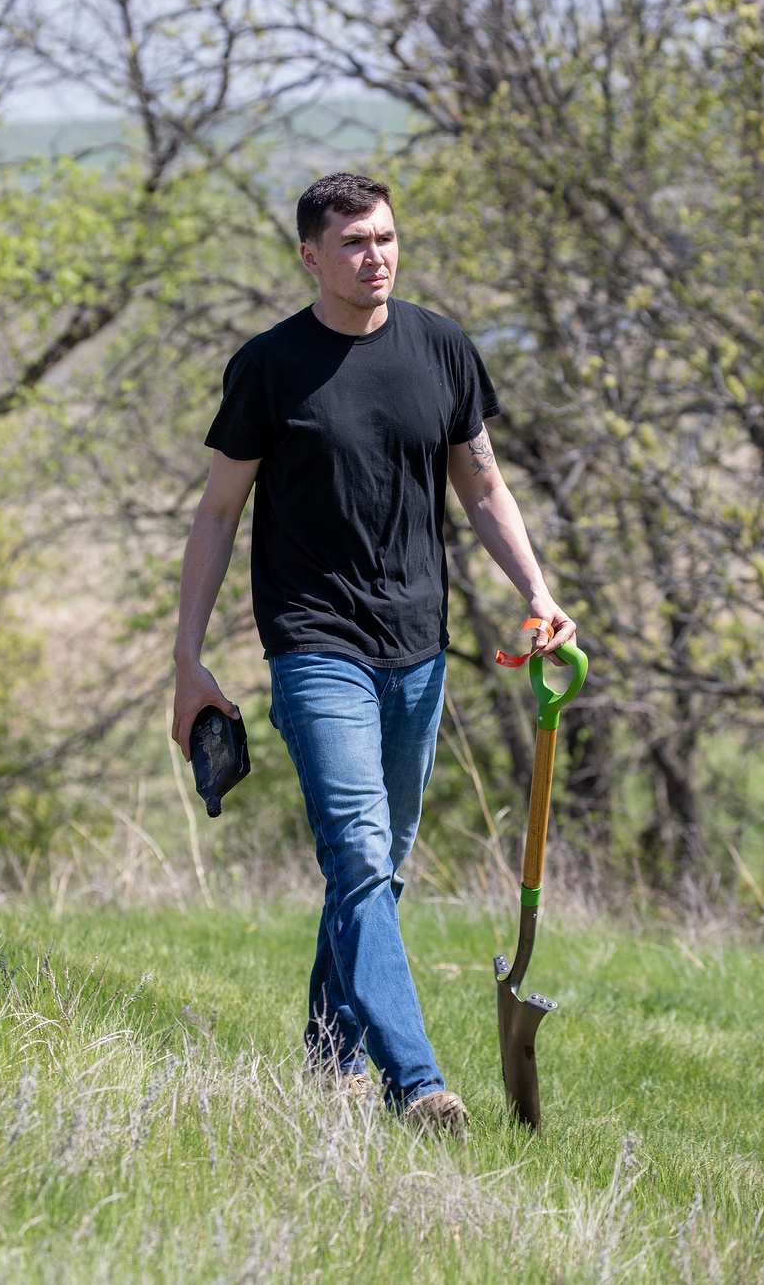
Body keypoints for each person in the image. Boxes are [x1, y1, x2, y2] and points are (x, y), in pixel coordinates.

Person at [172, 172, 575, 1133]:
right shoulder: (270, 367)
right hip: (314, 645)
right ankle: (416, 1082)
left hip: (417, 648)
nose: (376, 256)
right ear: (311, 255)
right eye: (354, 242)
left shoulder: (440, 347)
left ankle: (327, 1049)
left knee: (379, 870)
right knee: (357, 854)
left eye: (386, 237)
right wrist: (188, 660)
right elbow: (219, 511)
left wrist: (538, 592)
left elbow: (481, 488)